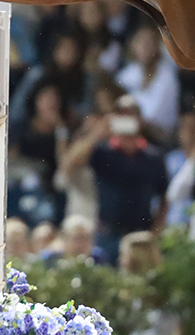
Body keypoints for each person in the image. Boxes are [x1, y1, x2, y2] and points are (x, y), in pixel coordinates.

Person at [58, 96, 168, 265]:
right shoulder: (103, 152)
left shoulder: (153, 157)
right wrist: (97, 132)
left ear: (140, 121)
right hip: (107, 234)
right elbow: (69, 166)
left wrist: (156, 230)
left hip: (140, 234)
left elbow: (164, 197)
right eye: (121, 117)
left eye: (130, 116)